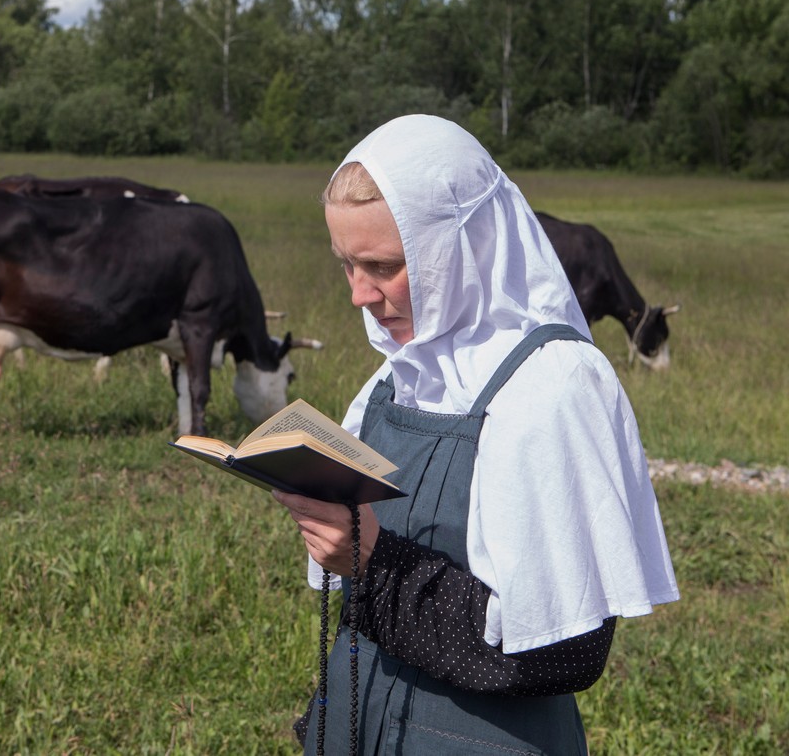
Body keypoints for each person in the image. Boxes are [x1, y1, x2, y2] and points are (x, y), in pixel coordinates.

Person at [273, 115, 679, 755]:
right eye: (345, 263)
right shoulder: (393, 379)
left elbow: (564, 653)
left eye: (382, 265)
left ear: (465, 246)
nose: (358, 294)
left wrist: (373, 561)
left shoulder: (554, 387)